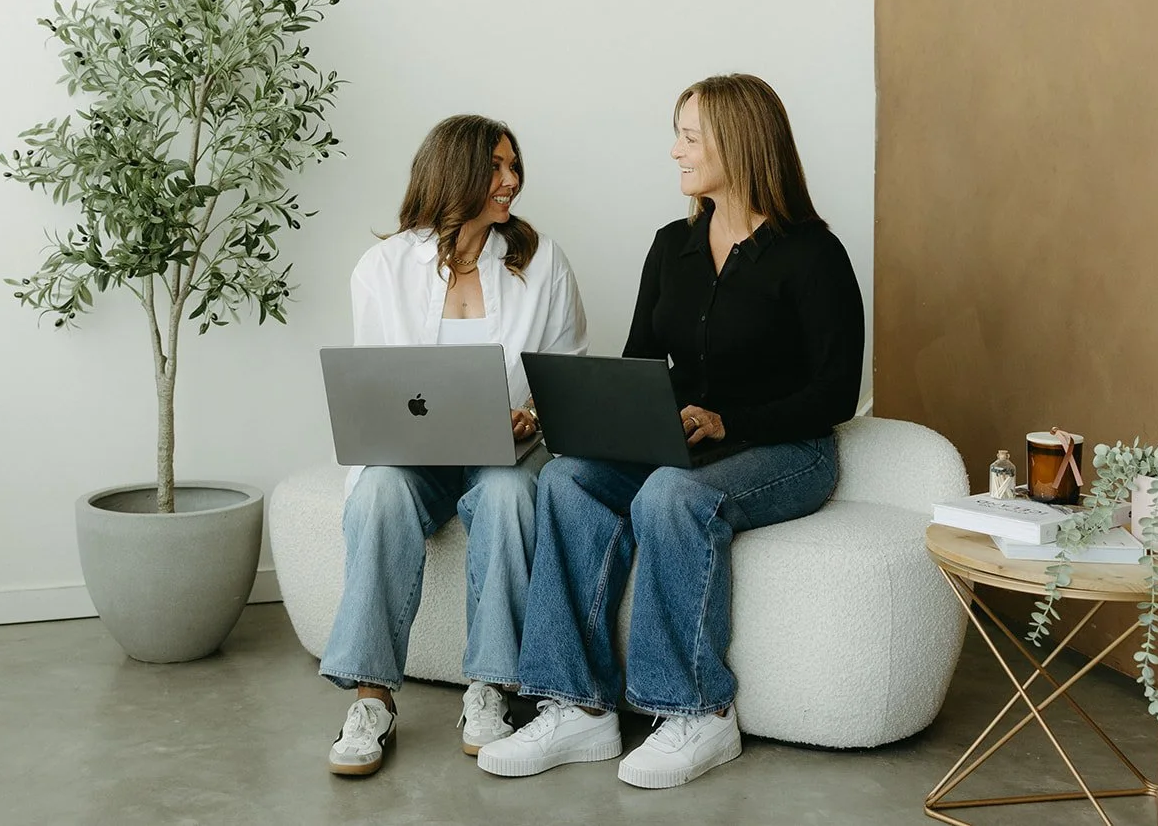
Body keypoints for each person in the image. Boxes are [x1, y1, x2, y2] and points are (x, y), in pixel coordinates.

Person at [476, 74, 864, 788]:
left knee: (670, 497)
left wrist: (730, 419)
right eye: (678, 134)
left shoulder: (812, 255)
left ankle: (697, 712)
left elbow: (835, 393)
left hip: (787, 446)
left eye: (690, 137)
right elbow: (638, 364)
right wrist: (616, 419)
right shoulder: (672, 247)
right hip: (688, 442)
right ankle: (576, 704)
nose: (675, 151)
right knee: (564, 478)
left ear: (739, 144)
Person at [323, 114, 588, 776]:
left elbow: (570, 374)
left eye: (514, 166)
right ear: (454, 174)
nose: (511, 180)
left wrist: (532, 415)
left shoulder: (541, 259)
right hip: (414, 461)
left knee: (506, 494)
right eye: (495, 167)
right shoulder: (383, 268)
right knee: (379, 491)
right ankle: (372, 700)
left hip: (504, 454)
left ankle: (489, 689)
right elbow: (376, 389)